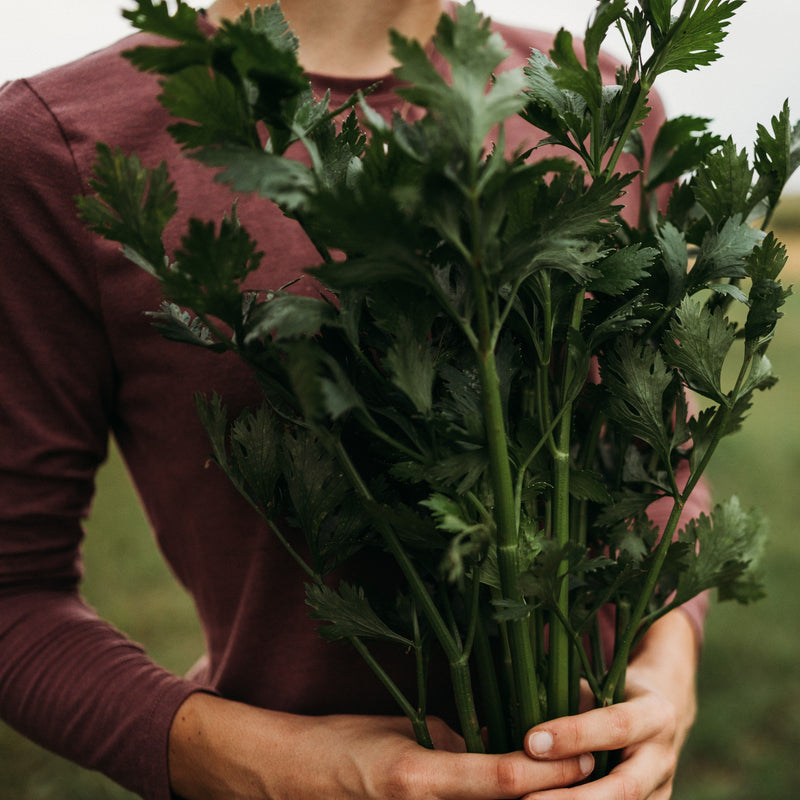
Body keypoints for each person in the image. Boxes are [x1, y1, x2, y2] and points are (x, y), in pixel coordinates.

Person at [0, 1, 709, 798]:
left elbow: (659, 457)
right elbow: (13, 592)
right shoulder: (55, 144)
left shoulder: (606, 100)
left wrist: (667, 673)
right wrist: (250, 763)